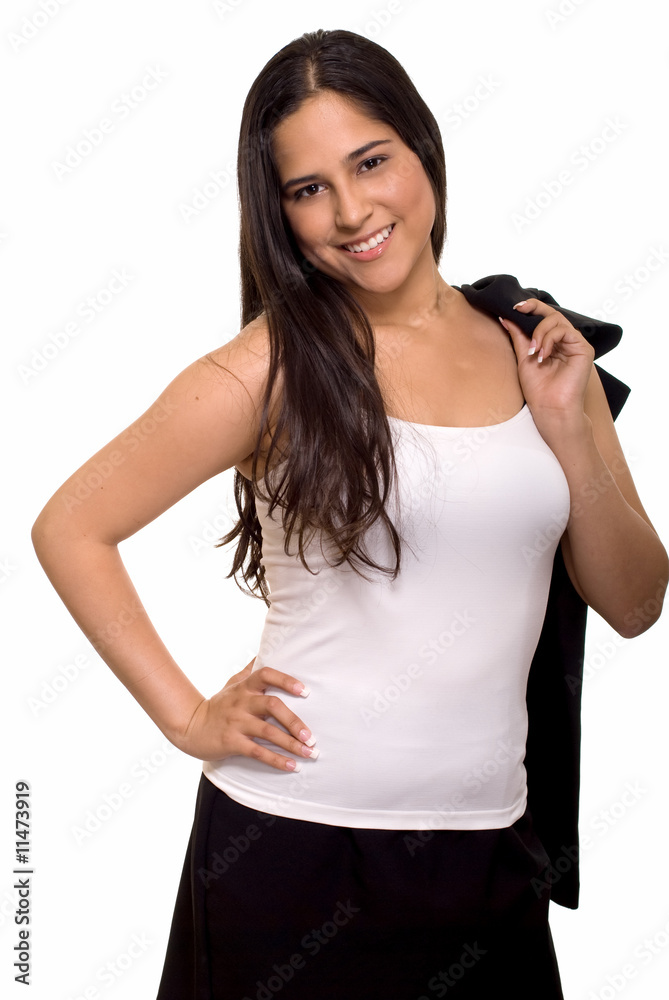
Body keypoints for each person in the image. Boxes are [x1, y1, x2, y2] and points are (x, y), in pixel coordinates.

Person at [31, 27, 667, 1000]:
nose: (351, 211)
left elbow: (634, 601)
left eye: (371, 162)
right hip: (292, 853)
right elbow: (72, 524)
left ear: (423, 149)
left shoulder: (538, 347)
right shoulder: (270, 367)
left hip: (492, 856)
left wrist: (570, 429)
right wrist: (188, 716)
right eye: (308, 188)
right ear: (278, 210)